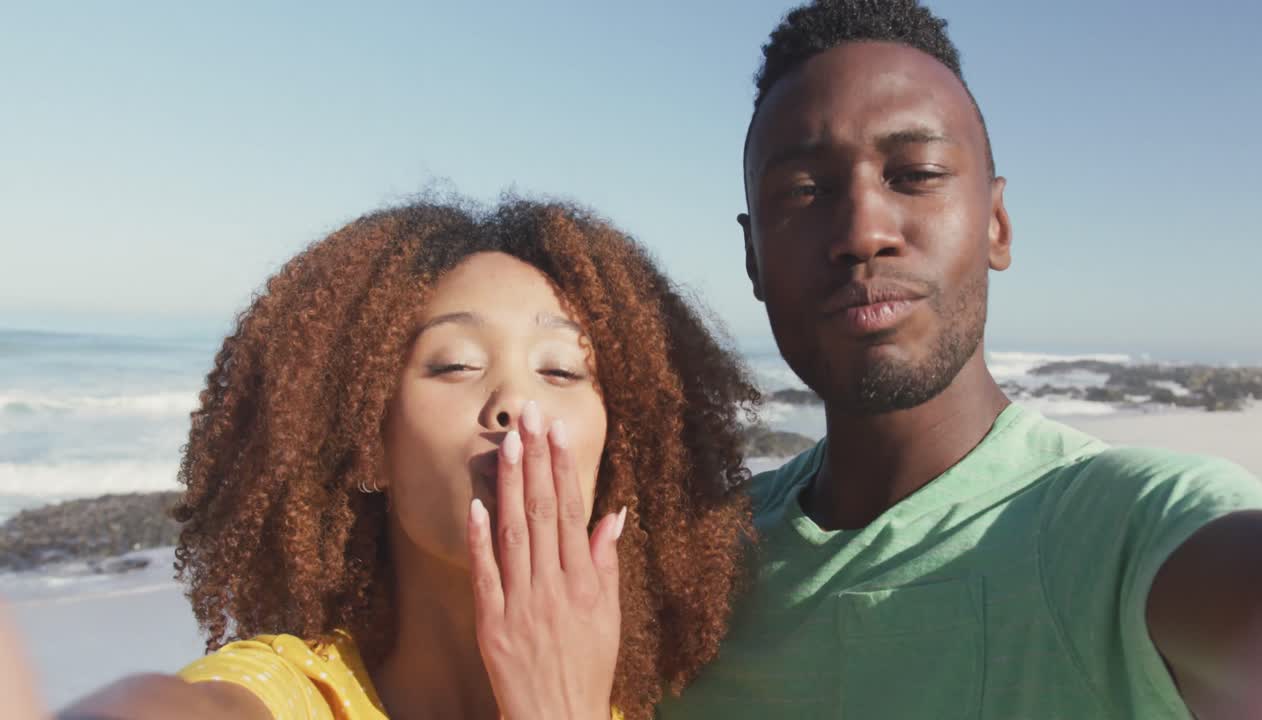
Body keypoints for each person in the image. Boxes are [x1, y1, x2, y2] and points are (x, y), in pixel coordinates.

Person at [654, 2, 1262, 719]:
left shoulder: (1114, 531)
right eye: (803, 191)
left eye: (914, 173)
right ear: (751, 257)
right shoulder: (693, 568)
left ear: (996, 224)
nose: (862, 231)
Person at [58, 195, 759, 719]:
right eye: (455, 364)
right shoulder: (300, 697)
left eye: (561, 372)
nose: (515, 401)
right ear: (368, 445)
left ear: (617, 453)